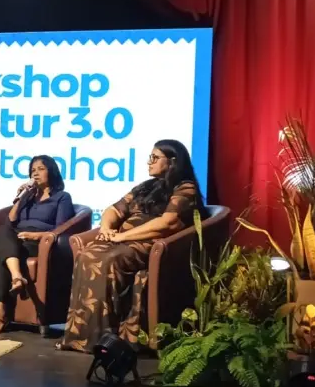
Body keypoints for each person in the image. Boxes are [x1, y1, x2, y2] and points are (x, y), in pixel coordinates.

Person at [56, 139, 205, 352]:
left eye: (155, 158)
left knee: (107, 260)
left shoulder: (185, 188)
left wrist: (123, 237)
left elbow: (168, 223)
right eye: (150, 157)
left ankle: (100, 339)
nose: (149, 162)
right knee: (86, 255)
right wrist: (106, 228)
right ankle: (77, 336)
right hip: (123, 241)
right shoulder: (146, 187)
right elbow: (113, 210)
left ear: (172, 161)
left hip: (151, 244)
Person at [0, 155, 75, 334]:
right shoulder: (29, 196)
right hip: (17, 237)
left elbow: (61, 229)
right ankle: (17, 276)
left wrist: (36, 235)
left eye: (41, 169)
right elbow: (11, 220)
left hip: (38, 242)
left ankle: (0, 311)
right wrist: (21, 197)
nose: (36, 173)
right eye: (33, 170)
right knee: (4, 232)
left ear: (51, 172)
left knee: (4, 252)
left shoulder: (62, 197)